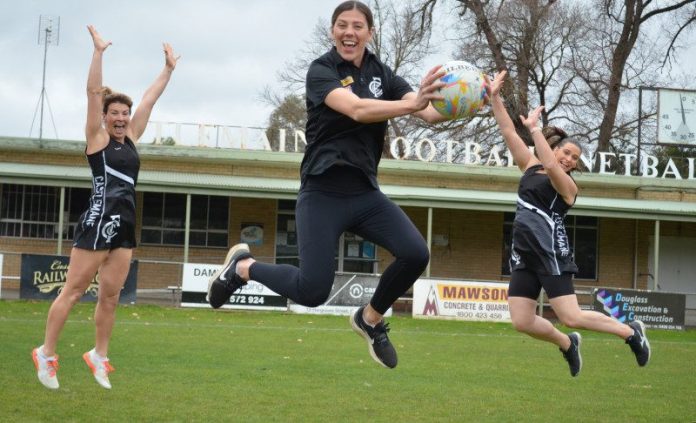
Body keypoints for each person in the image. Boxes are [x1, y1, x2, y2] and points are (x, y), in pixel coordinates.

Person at [208, 0, 455, 369]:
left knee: (416, 253)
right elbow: (357, 108)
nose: (349, 32)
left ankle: (369, 319)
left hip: (364, 193)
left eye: (357, 26)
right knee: (312, 291)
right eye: (342, 25)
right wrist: (411, 105)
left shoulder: (383, 74)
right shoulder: (321, 70)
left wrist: (478, 98)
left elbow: (430, 112)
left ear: (369, 33)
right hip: (322, 192)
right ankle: (243, 267)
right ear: (332, 31)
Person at [32, 25, 179, 390]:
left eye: (124, 114)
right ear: (104, 115)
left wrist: (168, 71)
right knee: (74, 291)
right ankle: (46, 353)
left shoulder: (131, 139)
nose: (121, 118)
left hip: (125, 228)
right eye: (114, 112)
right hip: (97, 224)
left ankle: (99, 355)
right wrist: (98, 52)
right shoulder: (96, 139)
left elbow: (148, 100)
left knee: (111, 296)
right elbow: (92, 91)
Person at [486, 71, 651, 377]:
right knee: (522, 321)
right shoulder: (531, 165)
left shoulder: (568, 187)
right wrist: (495, 96)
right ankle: (567, 344)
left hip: (550, 252)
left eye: (574, 158)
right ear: (557, 148)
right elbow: (509, 132)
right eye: (566, 152)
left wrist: (534, 130)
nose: (569, 159)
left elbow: (550, 164)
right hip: (524, 253)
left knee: (571, 316)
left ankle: (630, 332)